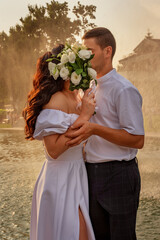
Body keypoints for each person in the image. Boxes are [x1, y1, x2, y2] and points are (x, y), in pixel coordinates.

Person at [66, 27, 145, 240]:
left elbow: (137, 139)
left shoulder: (124, 89)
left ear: (107, 51)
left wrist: (95, 129)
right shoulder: (89, 86)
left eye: (89, 51)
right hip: (90, 173)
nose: (84, 57)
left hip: (118, 174)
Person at [23, 44, 96, 240]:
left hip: (77, 172)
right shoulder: (55, 100)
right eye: (72, 66)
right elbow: (53, 150)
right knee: (74, 232)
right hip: (60, 177)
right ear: (61, 70)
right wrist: (85, 115)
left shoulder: (76, 95)